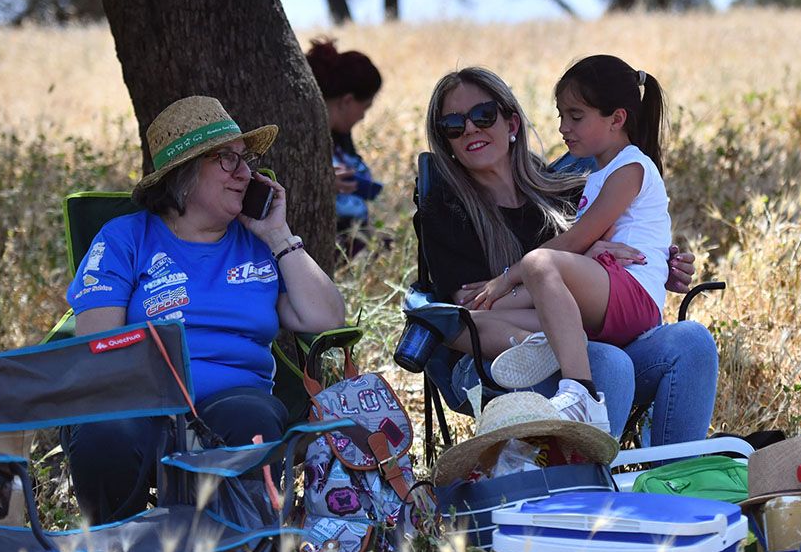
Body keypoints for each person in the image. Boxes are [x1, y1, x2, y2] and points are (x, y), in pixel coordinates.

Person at [63, 95, 347, 525]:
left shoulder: (258, 245)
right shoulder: (125, 238)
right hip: (140, 401)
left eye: (246, 160)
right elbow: (97, 344)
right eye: (227, 159)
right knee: (105, 432)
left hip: (234, 401)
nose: (246, 172)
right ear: (184, 174)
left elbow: (326, 319)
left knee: (249, 418)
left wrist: (279, 234)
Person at [420, 67, 718, 444]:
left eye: (483, 116)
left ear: (511, 122)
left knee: (692, 342)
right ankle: (589, 492)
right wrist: (568, 279)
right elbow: (468, 305)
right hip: (500, 355)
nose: (470, 130)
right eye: (452, 124)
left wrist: (655, 264)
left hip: (589, 335)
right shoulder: (446, 210)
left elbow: (601, 259)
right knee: (608, 362)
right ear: (445, 139)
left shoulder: (564, 191)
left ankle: (673, 482)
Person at [459, 55, 670, 433]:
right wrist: (490, 296)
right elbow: (592, 247)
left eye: (575, 117)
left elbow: (575, 241)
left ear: (616, 119)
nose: (562, 128)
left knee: (540, 264)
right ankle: (538, 342)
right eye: (560, 116)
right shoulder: (598, 175)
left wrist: (507, 278)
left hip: (633, 294)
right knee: (469, 321)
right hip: (605, 291)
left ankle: (581, 393)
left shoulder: (630, 168)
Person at [305, 38, 384, 256]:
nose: (362, 117)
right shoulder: (302, 136)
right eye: (364, 108)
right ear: (347, 101)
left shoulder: (341, 137)